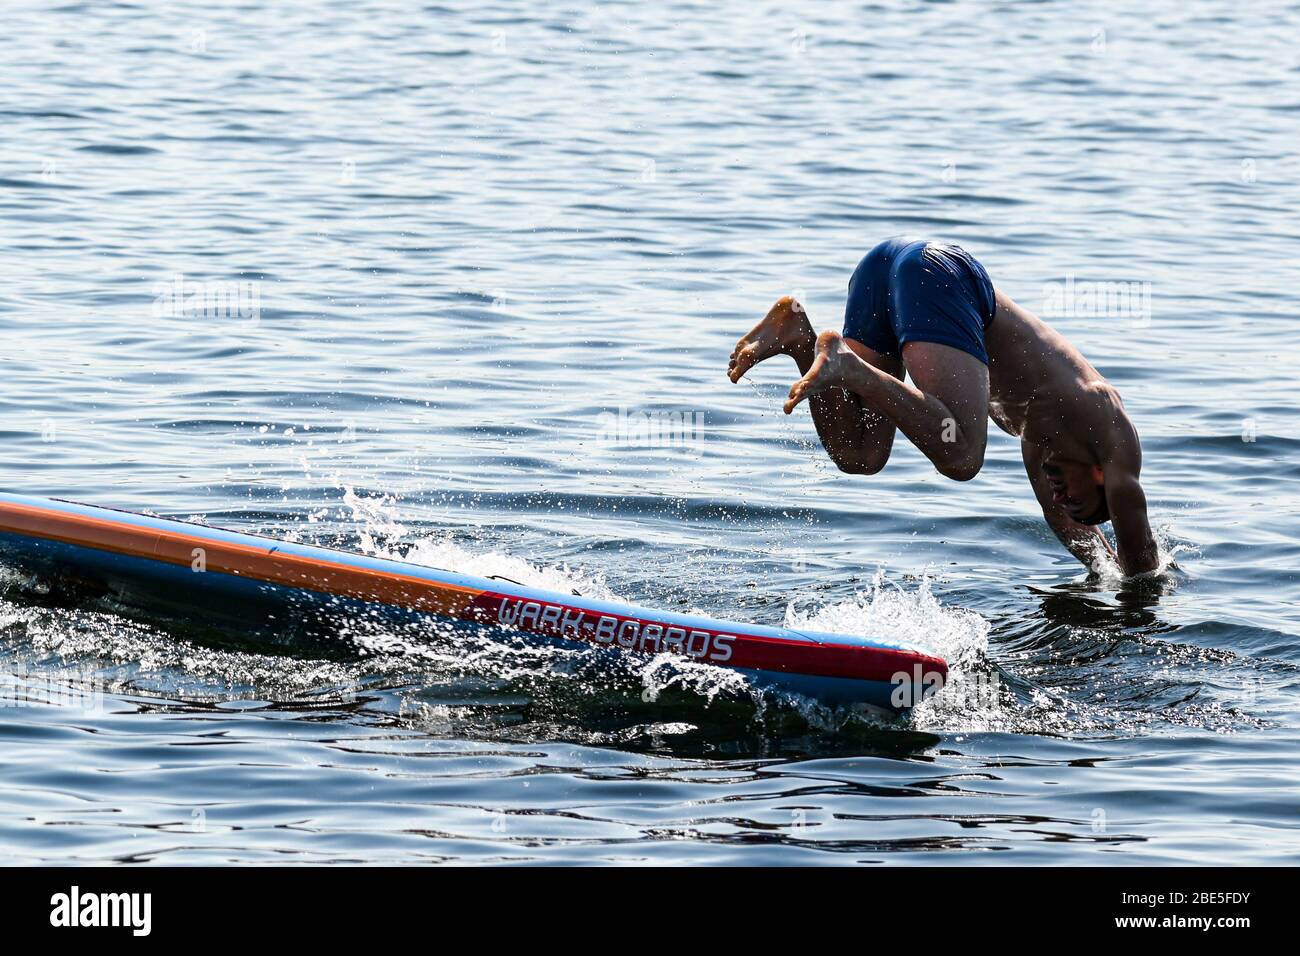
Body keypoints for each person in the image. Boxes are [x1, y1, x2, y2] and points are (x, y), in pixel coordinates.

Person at [728, 236, 1159, 576]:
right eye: (1079, 499)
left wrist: (1107, 573)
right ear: (1101, 474)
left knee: (859, 454)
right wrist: (1149, 594)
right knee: (963, 456)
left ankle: (801, 339)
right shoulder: (1105, 420)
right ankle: (846, 364)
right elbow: (1138, 552)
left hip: (884, 273)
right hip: (936, 273)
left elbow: (1067, 525)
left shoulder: (1041, 442)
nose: (1063, 498)